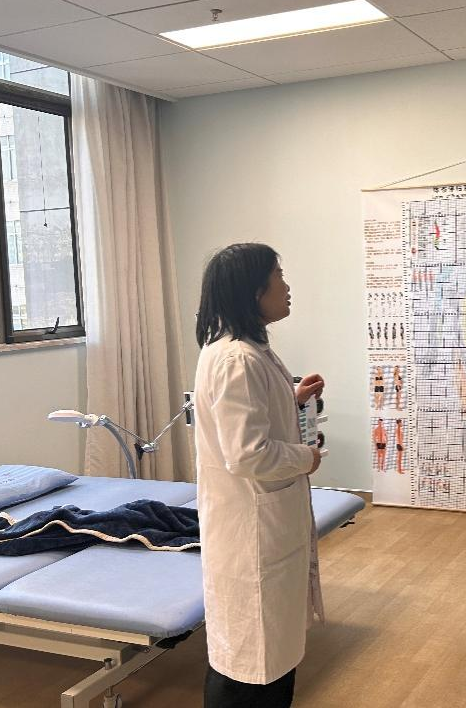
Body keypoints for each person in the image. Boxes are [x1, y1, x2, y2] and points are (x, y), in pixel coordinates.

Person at [193, 243, 325, 708]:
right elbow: (248, 454)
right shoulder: (237, 359)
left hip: (266, 522)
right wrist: (306, 457)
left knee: (268, 656)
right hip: (250, 529)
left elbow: (251, 418)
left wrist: (292, 397)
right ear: (254, 290)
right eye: (278, 276)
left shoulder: (246, 352)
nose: (286, 287)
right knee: (249, 665)